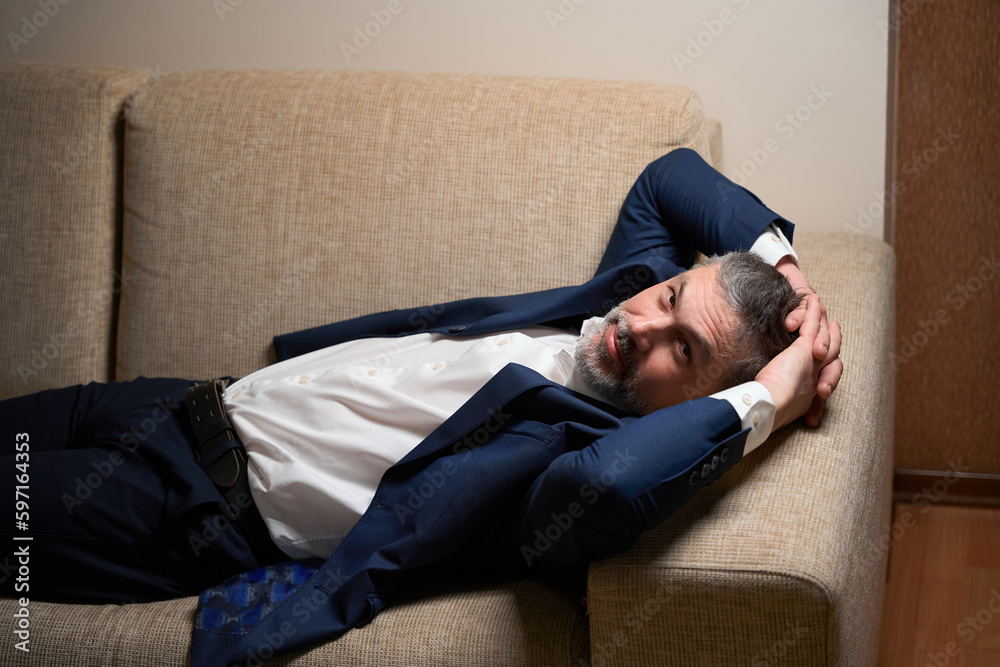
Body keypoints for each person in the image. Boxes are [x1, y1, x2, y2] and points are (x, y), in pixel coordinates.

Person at [0, 148, 841, 665]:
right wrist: (792, 278)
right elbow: (671, 178)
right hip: (170, 404)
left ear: (707, 395)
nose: (644, 324)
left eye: (683, 348)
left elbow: (619, 484)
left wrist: (769, 393)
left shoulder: (578, 459)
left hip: (184, 506)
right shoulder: (619, 308)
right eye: (670, 293)